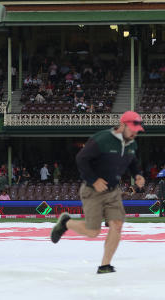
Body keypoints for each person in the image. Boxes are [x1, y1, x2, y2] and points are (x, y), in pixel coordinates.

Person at [50, 110, 146, 274]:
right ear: (122, 125)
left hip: (113, 191)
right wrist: (94, 179)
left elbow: (132, 161)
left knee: (117, 224)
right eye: (132, 129)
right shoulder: (102, 139)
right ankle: (66, 223)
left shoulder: (132, 144)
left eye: (137, 131)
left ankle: (105, 266)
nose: (135, 134)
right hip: (92, 190)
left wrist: (137, 174)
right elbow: (81, 159)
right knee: (93, 232)